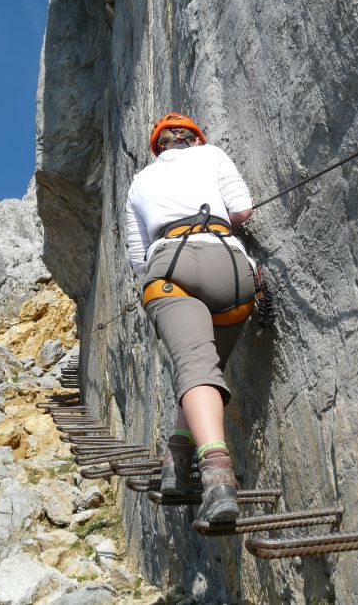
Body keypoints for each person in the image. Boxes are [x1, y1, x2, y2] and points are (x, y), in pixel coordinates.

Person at [125, 113, 255, 524]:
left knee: (195, 367)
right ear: (194, 140)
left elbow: (136, 257)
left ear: (158, 146)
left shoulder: (139, 183)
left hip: (172, 272)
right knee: (203, 370)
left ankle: (217, 479)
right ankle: (177, 461)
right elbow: (243, 210)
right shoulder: (213, 155)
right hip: (234, 273)